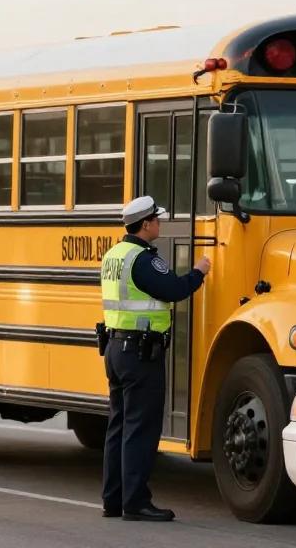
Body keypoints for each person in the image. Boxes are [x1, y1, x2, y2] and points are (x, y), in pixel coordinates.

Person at [100, 195, 211, 522]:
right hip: (140, 355)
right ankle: (136, 502)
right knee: (140, 429)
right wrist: (199, 272)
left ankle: (113, 499)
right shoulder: (143, 259)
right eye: (157, 221)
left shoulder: (114, 255)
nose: (160, 225)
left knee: (118, 427)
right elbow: (173, 289)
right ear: (145, 224)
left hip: (115, 350)